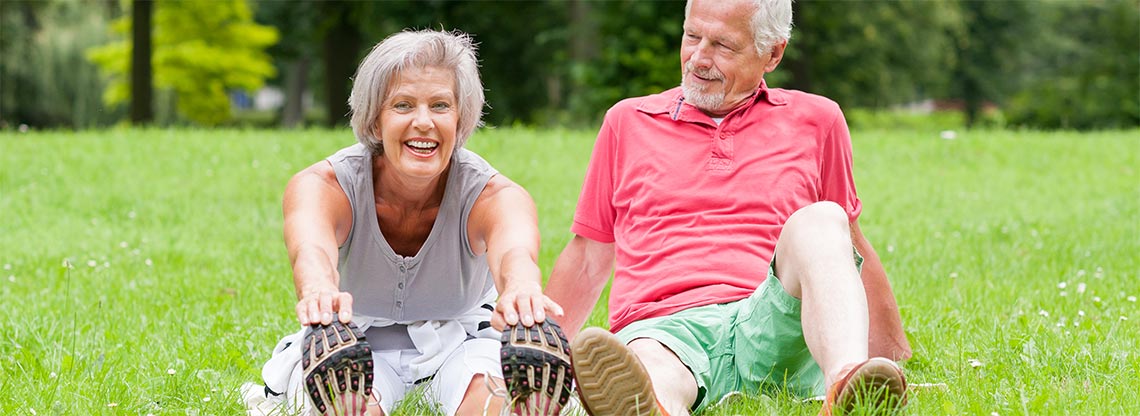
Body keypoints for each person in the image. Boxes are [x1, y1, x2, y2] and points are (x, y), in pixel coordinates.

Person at [544, 1, 913, 415]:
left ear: (773, 53)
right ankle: (651, 405)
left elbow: (845, 246)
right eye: (691, 36)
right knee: (648, 369)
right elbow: (587, 258)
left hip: (769, 321)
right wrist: (541, 357)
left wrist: (893, 357)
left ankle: (846, 384)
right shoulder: (626, 122)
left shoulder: (819, 120)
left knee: (824, 219)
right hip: (664, 327)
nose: (699, 58)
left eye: (723, 45)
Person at [240, 29, 564, 416]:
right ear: (375, 121)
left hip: (460, 339)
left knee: (495, 402)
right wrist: (319, 290)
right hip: (352, 342)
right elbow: (310, 248)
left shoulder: (495, 195)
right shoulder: (323, 185)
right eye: (403, 105)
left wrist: (521, 289)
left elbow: (516, 251)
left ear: (461, 121)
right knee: (351, 405)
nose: (424, 122)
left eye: (441, 106)